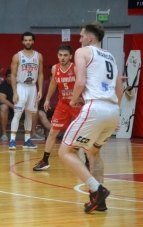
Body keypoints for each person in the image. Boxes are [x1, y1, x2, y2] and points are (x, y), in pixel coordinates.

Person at [58, 22, 123, 213]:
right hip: (113, 109)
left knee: (65, 152)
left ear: (90, 38)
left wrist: (73, 100)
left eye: (81, 36)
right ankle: (100, 203)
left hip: (95, 107)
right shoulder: (111, 57)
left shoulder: (83, 52)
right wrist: (112, 112)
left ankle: (97, 189)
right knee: (93, 153)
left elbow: (80, 82)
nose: (79, 40)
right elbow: (119, 89)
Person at [33, 44, 86, 171]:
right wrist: (47, 99)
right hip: (63, 105)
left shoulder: (76, 68)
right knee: (52, 132)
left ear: (71, 56)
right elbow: (53, 83)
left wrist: (83, 99)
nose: (62, 58)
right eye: (60, 55)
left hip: (77, 104)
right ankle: (45, 160)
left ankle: (88, 161)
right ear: (57, 55)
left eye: (65, 55)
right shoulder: (54, 68)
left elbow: (84, 83)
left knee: (83, 133)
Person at [9, 32, 44, 149]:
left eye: (30, 40)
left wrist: (40, 90)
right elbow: (13, 75)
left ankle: (27, 140)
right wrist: (14, 92)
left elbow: (40, 74)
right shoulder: (17, 56)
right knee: (18, 113)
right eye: (26, 40)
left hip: (32, 87)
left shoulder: (38, 56)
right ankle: (12, 140)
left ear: (33, 41)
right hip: (21, 86)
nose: (28, 42)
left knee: (30, 114)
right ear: (23, 42)